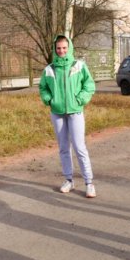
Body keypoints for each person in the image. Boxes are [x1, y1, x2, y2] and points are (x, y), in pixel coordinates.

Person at [39, 35, 96, 198]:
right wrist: (49, 99)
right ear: (55, 50)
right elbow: (43, 87)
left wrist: (80, 99)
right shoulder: (49, 69)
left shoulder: (79, 65)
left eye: (64, 48)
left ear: (69, 48)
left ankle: (89, 183)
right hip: (57, 113)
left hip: (75, 111)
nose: (61, 51)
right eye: (58, 48)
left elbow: (89, 85)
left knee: (79, 147)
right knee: (64, 148)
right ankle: (68, 180)